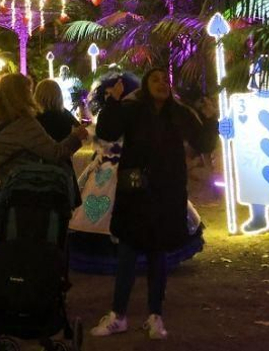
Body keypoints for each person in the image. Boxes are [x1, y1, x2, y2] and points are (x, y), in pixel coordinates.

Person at [89, 67, 218, 341]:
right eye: (155, 79)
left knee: (158, 255)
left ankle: (155, 316)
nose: (161, 84)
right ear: (146, 85)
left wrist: (210, 119)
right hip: (135, 193)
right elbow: (107, 131)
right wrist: (113, 101)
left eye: (165, 80)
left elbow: (204, 142)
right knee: (127, 253)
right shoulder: (133, 109)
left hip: (166, 194)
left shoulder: (179, 114)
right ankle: (118, 315)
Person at [0, 74, 89, 297]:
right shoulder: (25, 124)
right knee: (22, 242)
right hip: (15, 192)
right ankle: (22, 289)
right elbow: (54, 153)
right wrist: (76, 137)